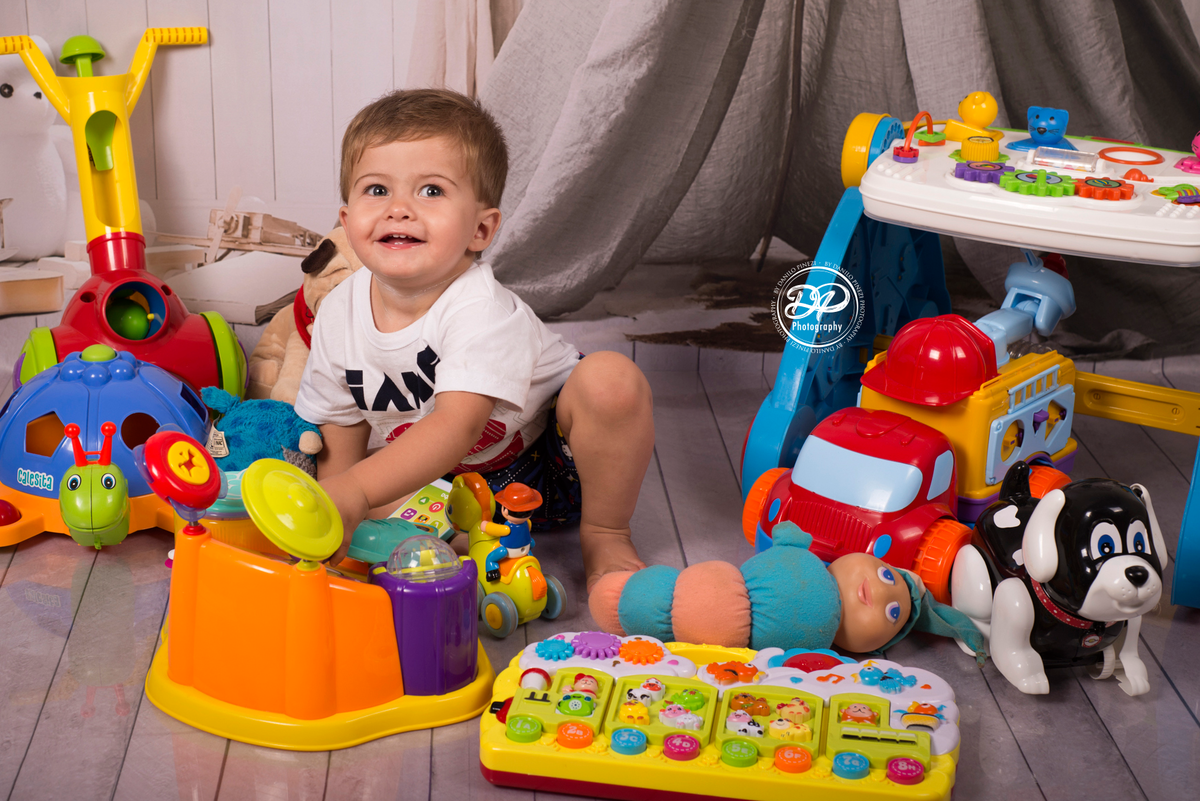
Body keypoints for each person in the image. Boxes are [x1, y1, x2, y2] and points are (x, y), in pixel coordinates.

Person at [294, 89, 652, 591]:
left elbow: (456, 427)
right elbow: (341, 428)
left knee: (612, 380)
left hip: (546, 462)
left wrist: (354, 489)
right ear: (347, 221)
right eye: (377, 190)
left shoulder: (480, 308)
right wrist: (339, 509)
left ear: (480, 229)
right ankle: (482, 543)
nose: (399, 209)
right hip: (442, 486)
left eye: (431, 191)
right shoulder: (336, 313)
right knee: (354, 496)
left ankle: (606, 532)